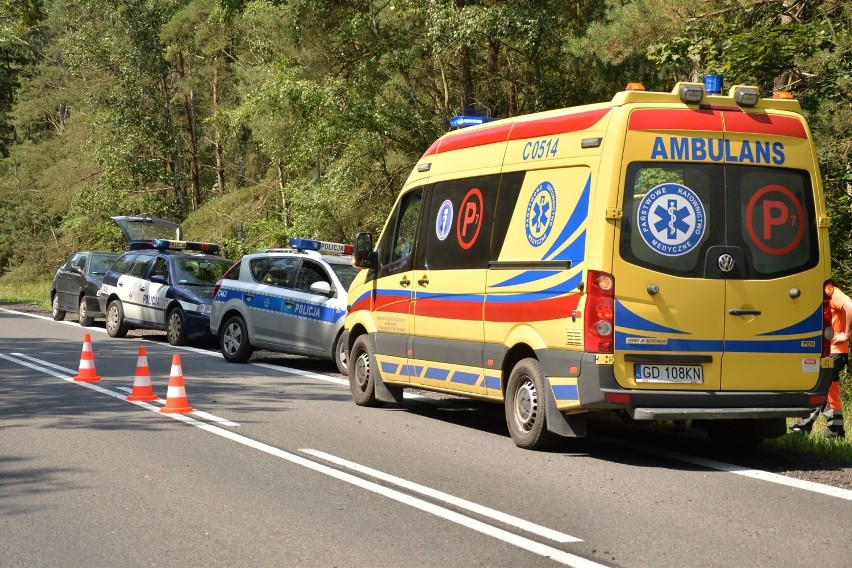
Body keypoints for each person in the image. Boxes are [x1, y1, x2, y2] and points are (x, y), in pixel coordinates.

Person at [791, 279, 851, 438]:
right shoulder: (828, 296)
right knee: (831, 391)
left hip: (834, 352)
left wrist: (846, 334)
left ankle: (801, 426)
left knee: (818, 385)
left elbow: (850, 306)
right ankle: (836, 431)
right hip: (836, 353)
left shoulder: (832, 291)